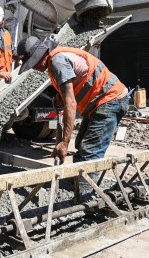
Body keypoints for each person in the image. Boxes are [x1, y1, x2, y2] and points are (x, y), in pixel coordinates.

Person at [17, 36, 128, 200]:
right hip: (99, 103)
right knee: (81, 144)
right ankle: (76, 184)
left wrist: (64, 143)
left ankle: (84, 199)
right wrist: (59, 94)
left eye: (33, 63)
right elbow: (75, 84)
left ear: (41, 54)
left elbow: (71, 104)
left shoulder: (57, 62)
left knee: (90, 150)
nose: (33, 68)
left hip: (111, 99)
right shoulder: (55, 60)